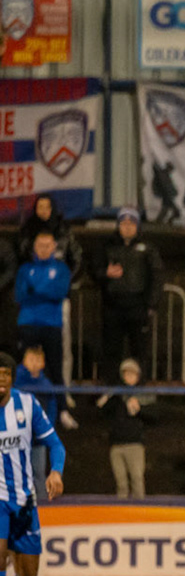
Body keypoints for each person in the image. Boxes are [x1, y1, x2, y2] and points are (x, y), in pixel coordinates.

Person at [0, 350, 66, 576]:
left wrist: (56, 471)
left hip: (25, 503)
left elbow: (55, 443)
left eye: (5, 376)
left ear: (12, 379)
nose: (1, 382)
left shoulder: (26, 405)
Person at [15, 230, 76, 431]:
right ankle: (19, 412)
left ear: (54, 247)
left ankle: (63, 411)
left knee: (55, 368)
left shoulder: (61, 269)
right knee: (24, 368)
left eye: (47, 245)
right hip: (28, 323)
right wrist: (45, 291)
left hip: (52, 324)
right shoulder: (25, 269)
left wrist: (36, 290)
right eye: (39, 245)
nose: (43, 249)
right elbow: (20, 295)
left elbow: (59, 292)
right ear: (34, 247)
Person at [94, 207, 165, 375]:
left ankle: (139, 386)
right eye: (123, 223)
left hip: (138, 307)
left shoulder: (147, 248)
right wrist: (105, 273)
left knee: (139, 350)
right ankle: (111, 386)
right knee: (111, 350)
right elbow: (94, 270)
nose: (127, 227)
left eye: (131, 224)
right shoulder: (107, 247)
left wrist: (151, 304)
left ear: (137, 226)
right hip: (113, 306)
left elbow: (157, 276)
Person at [96, 358, 153, 498]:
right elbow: (102, 411)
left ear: (138, 376)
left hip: (135, 445)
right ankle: (122, 511)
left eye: (132, 373)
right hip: (116, 445)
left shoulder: (144, 394)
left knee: (137, 480)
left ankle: (139, 510)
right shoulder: (115, 394)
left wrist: (139, 408)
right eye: (126, 373)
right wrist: (114, 397)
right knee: (121, 484)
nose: (129, 377)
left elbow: (154, 416)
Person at [15, 345, 59, 497]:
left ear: (43, 363)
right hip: (17, 437)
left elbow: (52, 407)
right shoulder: (15, 381)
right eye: (31, 359)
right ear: (24, 361)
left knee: (39, 473)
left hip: (37, 439)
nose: (34, 363)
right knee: (17, 474)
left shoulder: (46, 384)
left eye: (38, 360)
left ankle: (42, 506)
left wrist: (47, 427)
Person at [13, 195, 81, 277]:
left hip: (59, 277)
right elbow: (20, 257)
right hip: (33, 277)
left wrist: (65, 278)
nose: (44, 211)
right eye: (40, 207)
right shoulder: (27, 229)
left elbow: (75, 258)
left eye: (47, 207)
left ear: (52, 209)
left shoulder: (63, 229)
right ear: (35, 209)